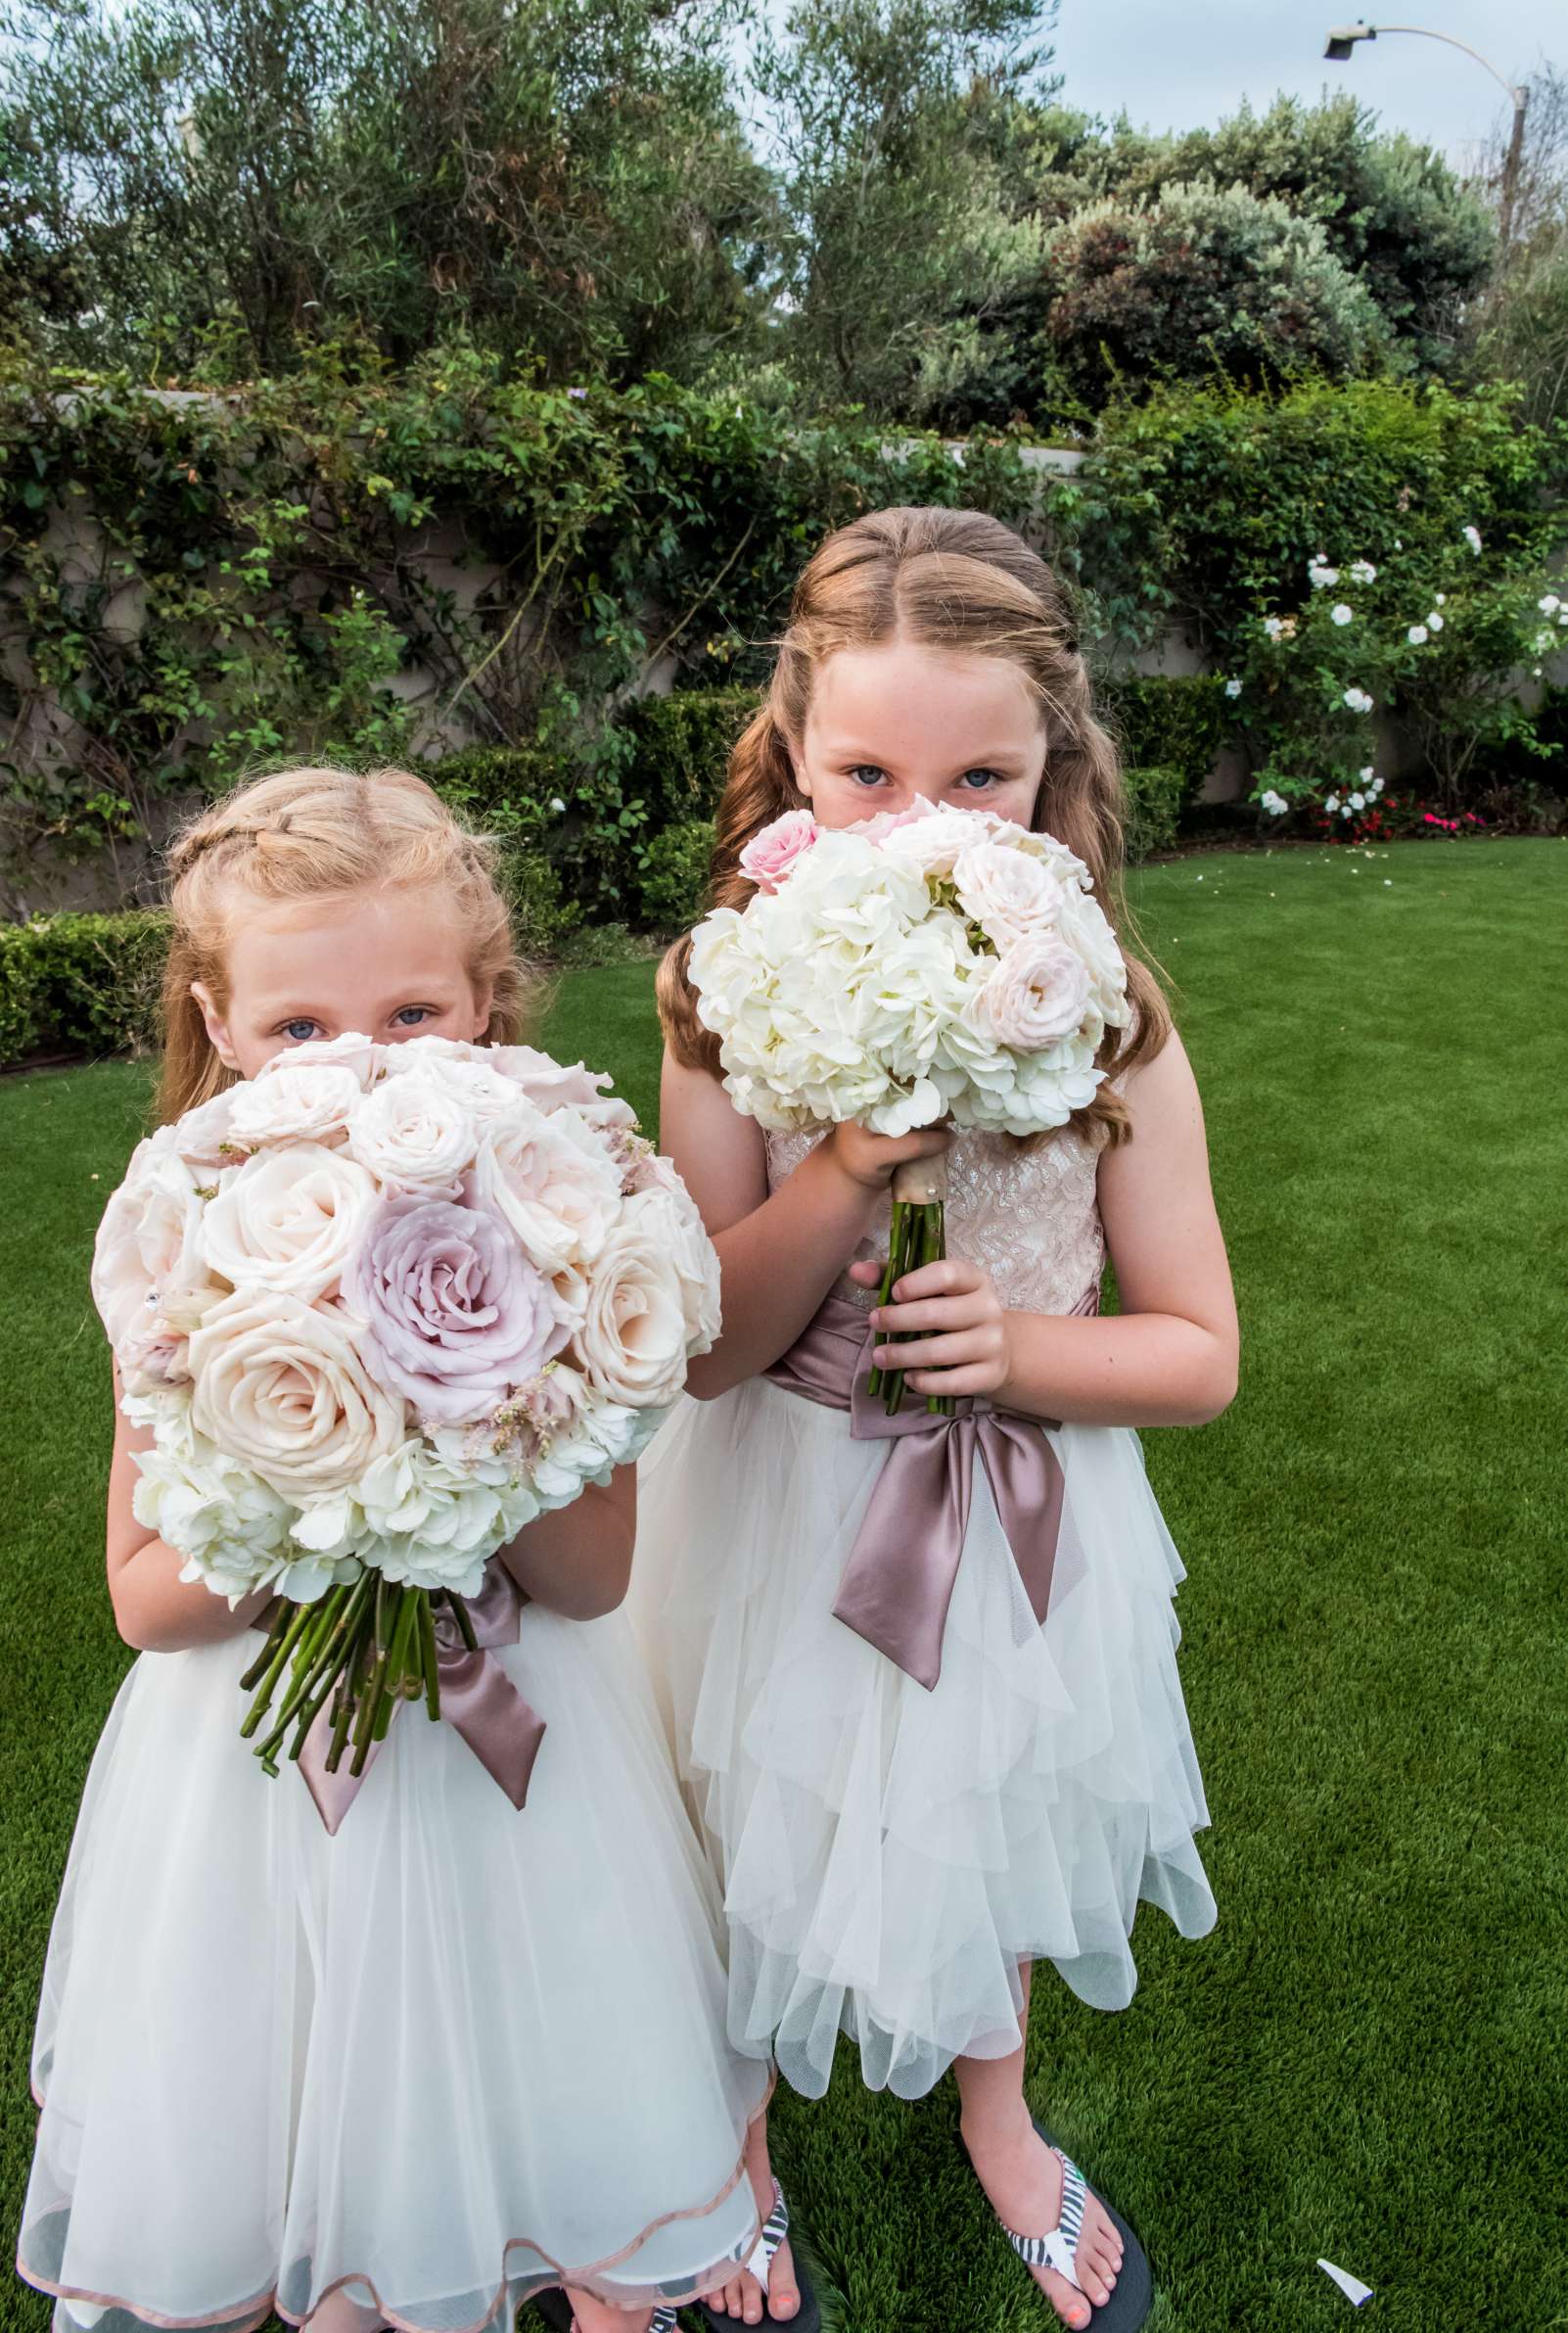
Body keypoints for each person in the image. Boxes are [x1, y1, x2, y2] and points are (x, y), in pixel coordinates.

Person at [18, 766, 771, 2333]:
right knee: (301, 2083)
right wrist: (329, 1486)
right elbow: (149, 1602)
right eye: (298, 1027)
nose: (355, 1061)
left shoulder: (570, 1234)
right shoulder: (182, 1264)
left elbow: (589, 1582)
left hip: (531, 1751)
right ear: (219, 1027)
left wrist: (479, 1435)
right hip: (256, 1792)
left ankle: (590, 2266)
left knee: (551, 2064)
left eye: (412, 1015)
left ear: (488, 1010)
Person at [631, 509, 1237, 2331]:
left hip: (1019, 1512)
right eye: (868, 772)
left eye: (983, 775)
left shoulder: (1106, 1016)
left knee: (998, 1803)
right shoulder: (721, 991)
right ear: (796, 755)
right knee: (738, 1815)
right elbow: (708, 1348)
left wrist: (1025, 1354)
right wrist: (844, 1165)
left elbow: (1197, 1353)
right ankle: (730, 2142)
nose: (924, 820)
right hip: (773, 1496)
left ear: (1056, 770)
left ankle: (999, 2113)